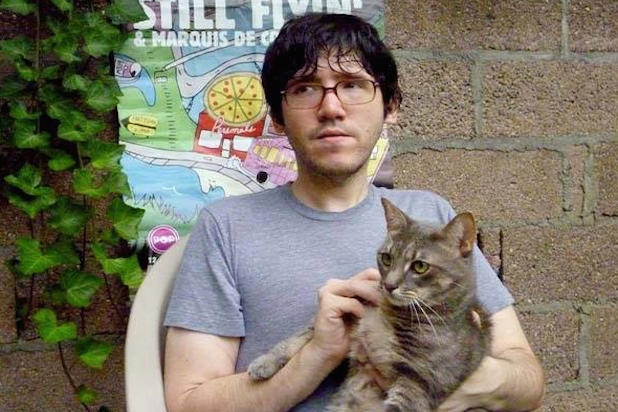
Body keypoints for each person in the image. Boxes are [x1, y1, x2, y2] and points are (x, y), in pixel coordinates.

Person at [163, 13, 545, 412]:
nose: (331, 108)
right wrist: (318, 355)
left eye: (352, 85)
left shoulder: (431, 216)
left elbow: (528, 381)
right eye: (305, 88)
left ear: (390, 105)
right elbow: (187, 403)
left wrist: (459, 379)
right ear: (277, 116)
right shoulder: (226, 227)